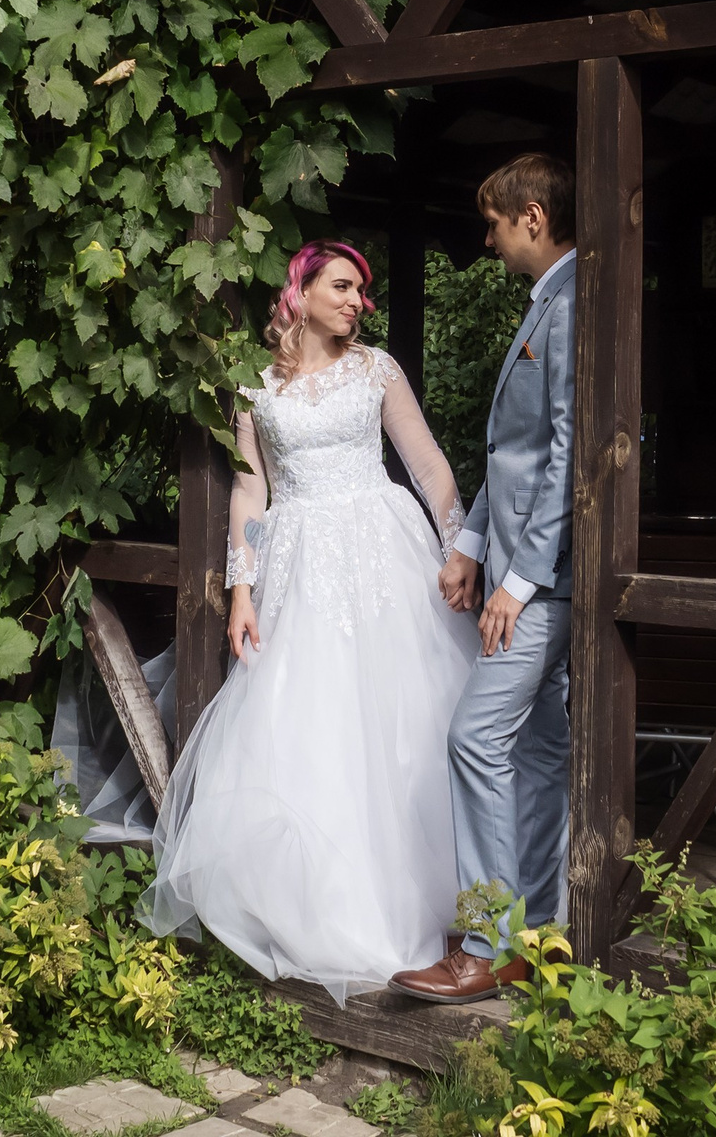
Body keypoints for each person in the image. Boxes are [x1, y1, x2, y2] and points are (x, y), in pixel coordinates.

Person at [141, 239, 479, 1004]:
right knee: (308, 727)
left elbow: (427, 466)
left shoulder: (377, 370)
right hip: (297, 561)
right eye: (341, 286)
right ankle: (318, 910)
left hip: (381, 554)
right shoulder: (258, 388)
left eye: (361, 289)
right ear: (300, 293)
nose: (357, 300)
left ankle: (434, 914)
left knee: (401, 732)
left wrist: (459, 551)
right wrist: (242, 589)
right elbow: (250, 495)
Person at [393, 153, 578, 1005]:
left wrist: (521, 580)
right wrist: (470, 541)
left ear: (531, 218)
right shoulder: (547, 302)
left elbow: (570, 456)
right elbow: (515, 457)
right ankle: (535, 937)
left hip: (540, 585)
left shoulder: (572, 305)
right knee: (537, 756)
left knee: (475, 738)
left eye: (496, 225)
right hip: (514, 567)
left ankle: (486, 942)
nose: (490, 241)